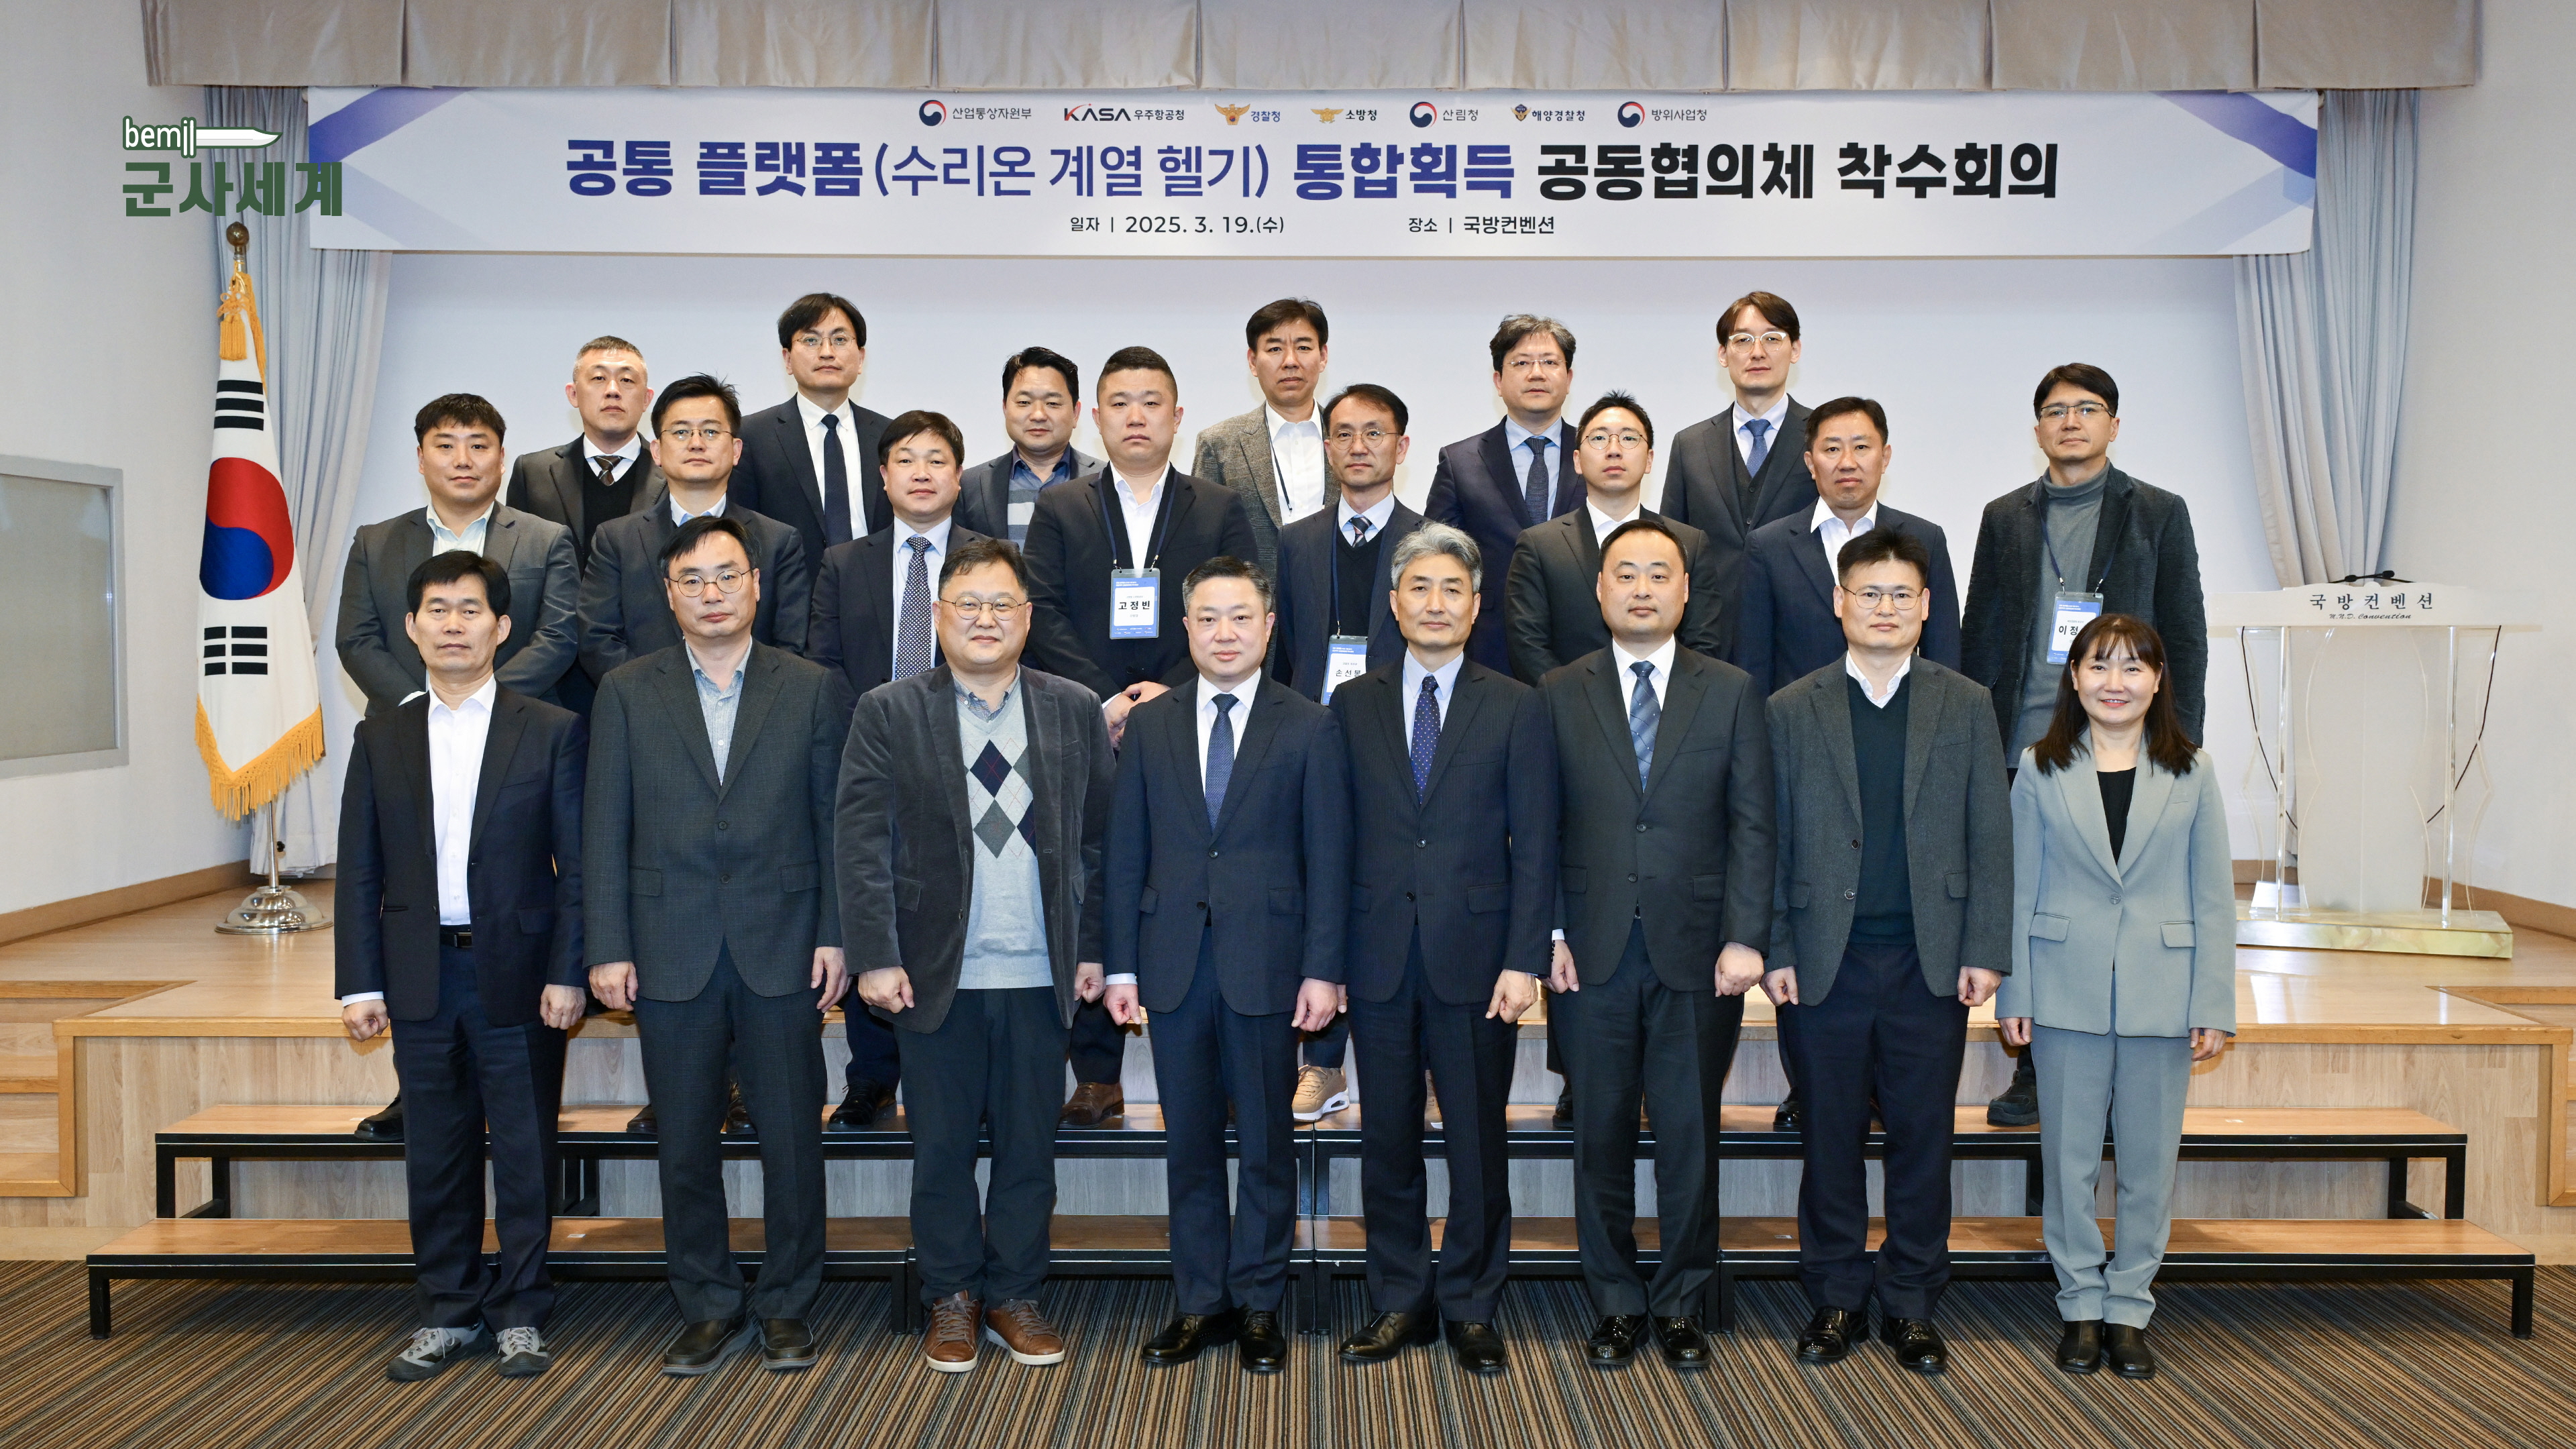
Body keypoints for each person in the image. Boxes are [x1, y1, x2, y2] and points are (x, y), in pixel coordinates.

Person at [837, 535, 1116, 1374]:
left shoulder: (1072, 706)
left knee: (1030, 1154)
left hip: (1040, 971)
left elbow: (1100, 844)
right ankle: (953, 1295)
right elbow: (860, 845)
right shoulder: (888, 709)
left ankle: (1015, 1295)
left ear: (1027, 618)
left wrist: (1094, 949)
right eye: (969, 604)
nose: (985, 619)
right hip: (934, 974)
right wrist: (874, 955)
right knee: (943, 1153)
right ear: (938, 615)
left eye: (1002, 605)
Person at [586, 513, 852, 1378]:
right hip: (670, 945)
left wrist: (836, 932)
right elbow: (603, 827)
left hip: (785, 943)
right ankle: (704, 1302)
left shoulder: (811, 687)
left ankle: (786, 1303)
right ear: (669, 595)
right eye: (693, 580)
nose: (712, 594)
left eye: (727, 576)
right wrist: (608, 944)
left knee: (792, 1140)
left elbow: (836, 823)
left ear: (757, 586)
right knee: (686, 1144)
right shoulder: (627, 691)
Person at [1760, 527, 2010, 1377]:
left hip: (1927, 963)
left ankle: (1910, 1301)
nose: (1886, 607)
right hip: (1821, 964)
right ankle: (1835, 1296)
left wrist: (1986, 946)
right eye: (1869, 592)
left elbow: (1991, 833)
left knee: (1921, 1140)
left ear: (1926, 606)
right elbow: (1770, 840)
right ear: (1840, 603)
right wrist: (1776, 947)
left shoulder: (1964, 703)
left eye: (1902, 594)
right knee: (1828, 1140)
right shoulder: (1791, 708)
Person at [336, 549, 586, 1381]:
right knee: (435, 1156)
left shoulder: (549, 729)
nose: (454, 625)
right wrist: (360, 982)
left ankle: (521, 1312)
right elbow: (360, 868)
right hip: (419, 977)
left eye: (470, 610)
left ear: (501, 627)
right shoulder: (381, 736)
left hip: (518, 974)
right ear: (411, 628)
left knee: (524, 1152)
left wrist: (568, 970)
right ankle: (446, 1311)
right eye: (437, 610)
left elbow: (578, 867)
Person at [1104, 556, 1349, 1375]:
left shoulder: (1309, 725)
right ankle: (1200, 1301)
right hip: (1173, 965)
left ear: (1269, 626)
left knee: (1269, 1145)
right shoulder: (1151, 725)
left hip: (1270, 967)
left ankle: (1260, 1303)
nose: (1224, 633)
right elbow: (1125, 851)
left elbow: (1328, 859)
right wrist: (1121, 967)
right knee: (1191, 1145)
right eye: (1207, 618)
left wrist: (1323, 969)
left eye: (1241, 617)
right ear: (1186, 628)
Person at [1540, 515, 1772, 1373]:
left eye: (1659, 574)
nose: (1642, 588)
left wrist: (1746, 935)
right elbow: (1538, 825)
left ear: (1685, 591)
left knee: (1688, 1139)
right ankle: (1613, 1301)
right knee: (1598, 1138)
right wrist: (1548, 932)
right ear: (1600, 590)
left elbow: (1754, 823)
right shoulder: (1557, 690)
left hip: (1700, 955)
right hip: (1589, 952)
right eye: (1626, 574)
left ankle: (1679, 1302)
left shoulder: (1732, 690)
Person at [1330, 522, 1556, 1376]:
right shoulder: (1352, 705)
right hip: (1377, 956)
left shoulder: (1517, 705)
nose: (1435, 603)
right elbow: (1333, 842)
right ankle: (1399, 1298)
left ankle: (1470, 1302)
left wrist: (1524, 959)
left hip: (1479, 961)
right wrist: (1329, 962)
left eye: (1452, 589)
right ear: (1395, 604)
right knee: (1386, 1140)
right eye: (1419, 588)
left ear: (1475, 604)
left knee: (1476, 1143)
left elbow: (1536, 845)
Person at [1963, 364, 2207, 1128]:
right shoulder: (2005, 516)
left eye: (2088, 409)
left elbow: (2185, 634)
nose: (2071, 422)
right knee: (2032, 906)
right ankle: (2037, 1069)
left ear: (2113, 425)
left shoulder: (2157, 512)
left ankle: (2119, 1062)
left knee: (2106, 906)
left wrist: (2180, 744)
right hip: (2023, 743)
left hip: (2123, 741)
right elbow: (1981, 632)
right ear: (2038, 428)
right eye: (2056, 411)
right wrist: (1973, 741)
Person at [1022, 345, 1260, 1127]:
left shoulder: (1217, 505)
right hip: (1085, 722)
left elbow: (1237, 608)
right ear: (1096, 417)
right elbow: (1043, 611)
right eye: (1120, 403)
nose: (1136, 417)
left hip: (1189, 718)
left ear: (1177, 416)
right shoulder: (1061, 507)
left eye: (1151, 402)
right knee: (1098, 879)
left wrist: (1170, 697)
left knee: (1198, 876)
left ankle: (1226, 1067)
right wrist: (1104, 698)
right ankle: (1096, 1072)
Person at [1996, 613, 2234, 1383]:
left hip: (2163, 993)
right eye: (2099, 666)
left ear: (2158, 681)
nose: (2115, 682)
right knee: (2066, 1163)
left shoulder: (2192, 771)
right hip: (2063, 990)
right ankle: (2079, 1305)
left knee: (2147, 1166)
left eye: (2133, 667)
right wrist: (2014, 989)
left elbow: (2214, 899)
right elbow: (2019, 888)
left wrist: (2214, 1002)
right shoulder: (2040, 768)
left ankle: (2130, 1308)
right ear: (2074, 678)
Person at [807, 410, 988, 1131]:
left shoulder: (989, 559)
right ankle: (873, 1078)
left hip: (970, 757)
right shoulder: (843, 562)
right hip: (870, 755)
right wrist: (877, 732)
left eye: (937, 459)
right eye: (906, 460)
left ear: (959, 477)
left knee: (955, 909)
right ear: (882, 477)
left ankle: (963, 1077)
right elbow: (824, 663)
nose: (921, 472)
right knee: (872, 907)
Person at [1267, 381, 1423, 1116]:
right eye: (1345, 434)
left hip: (1400, 742)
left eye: (1375, 433)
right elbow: (1284, 653)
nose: (1360, 447)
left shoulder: (1429, 540)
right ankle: (1323, 1063)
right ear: (1326, 448)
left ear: (1402, 445)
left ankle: (1422, 1064)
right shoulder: (1295, 540)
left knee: (1396, 895)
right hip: (1313, 740)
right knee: (1318, 891)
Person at [337, 394, 580, 720]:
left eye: (478, 446)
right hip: (402, 725)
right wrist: (415, 706)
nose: (463, 460)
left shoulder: (547, 540)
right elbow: (357, 639)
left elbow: (558, 637)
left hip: (517, 724)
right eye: (446, 446)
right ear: (421, 459)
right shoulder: (375, 543)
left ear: (501, 458)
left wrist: (486, 704)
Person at [579, 374, 810, 691]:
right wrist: (664, 699)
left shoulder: (779, 541)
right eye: (681, 432)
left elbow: (790, 644)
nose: (697, 443)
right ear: (657, 451)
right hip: (647, 708)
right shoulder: (617, 540)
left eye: (711, 431)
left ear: (736, 450)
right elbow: (598, 640)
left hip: (755, 708)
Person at [1730, 396, 1961, 702]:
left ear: (1885, 457)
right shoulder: (1768, 546)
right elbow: (1752, 665)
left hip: (1902, 720)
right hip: (1800, 723)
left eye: (1861, 447)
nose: (1848, 462)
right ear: (1811, 463)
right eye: (1832, 449)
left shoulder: (1925, 538)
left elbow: (1944, 655)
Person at [1506, 391, 1725, 683]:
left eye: (1629, 438)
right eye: (1599, 438)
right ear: (1577, 460)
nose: (1614, 450)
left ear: (1649, 460)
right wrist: (1570, 699)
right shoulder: (1539, 546)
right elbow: (1528, 645)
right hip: (1568, 703)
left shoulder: (1690, 543)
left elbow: (1703, 642)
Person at [1655, 291, 1821, 653]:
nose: (1757, 352)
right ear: (1723, 354)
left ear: (1795, 349)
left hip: (1801, 636)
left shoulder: (1823, 437)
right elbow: (1671, 547)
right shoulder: (1690, 444)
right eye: (1743, 340)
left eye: (1772, 338)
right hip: (1708, 639)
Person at [1424, 315, 1584, 674]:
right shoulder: (1460, 461)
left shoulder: (1597, 453)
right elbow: (1436, 556)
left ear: (1569, 378)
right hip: (1489, 647)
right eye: (1521, 363)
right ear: (1498, 380)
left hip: (1583, 645)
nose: (1537, 374)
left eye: (1550, 362)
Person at [734, 292, 893, 563]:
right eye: (811, 340)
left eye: (840, 340)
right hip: (789, 584)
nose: (827, 352)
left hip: (875, 582)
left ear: (861, 358)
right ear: (787, 359)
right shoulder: (751, 435)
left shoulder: (890, 436)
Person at [1190, 298, 1336, 577]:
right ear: (1253, 361)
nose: (1290, 361)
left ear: (1323, 357)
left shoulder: (1350, 439)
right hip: (1254, 602)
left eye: (1304, 347)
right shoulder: (1218, 444)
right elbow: (1202, 547)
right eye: (1275, 349)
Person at [504, 335, 665, 574]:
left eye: (627, 380)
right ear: (573, 394)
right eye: (599, 378)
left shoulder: (673, 471)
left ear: (646, 399)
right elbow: (518, 565)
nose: (613, 391)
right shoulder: (533, 472)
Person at [957, 347, 1099, 545]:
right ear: (1005, 408)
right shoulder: (968, 485)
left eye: (1052, 403)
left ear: (1076, 413)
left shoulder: (1107, 480)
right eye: (1024, 402)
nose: (1038, 415)